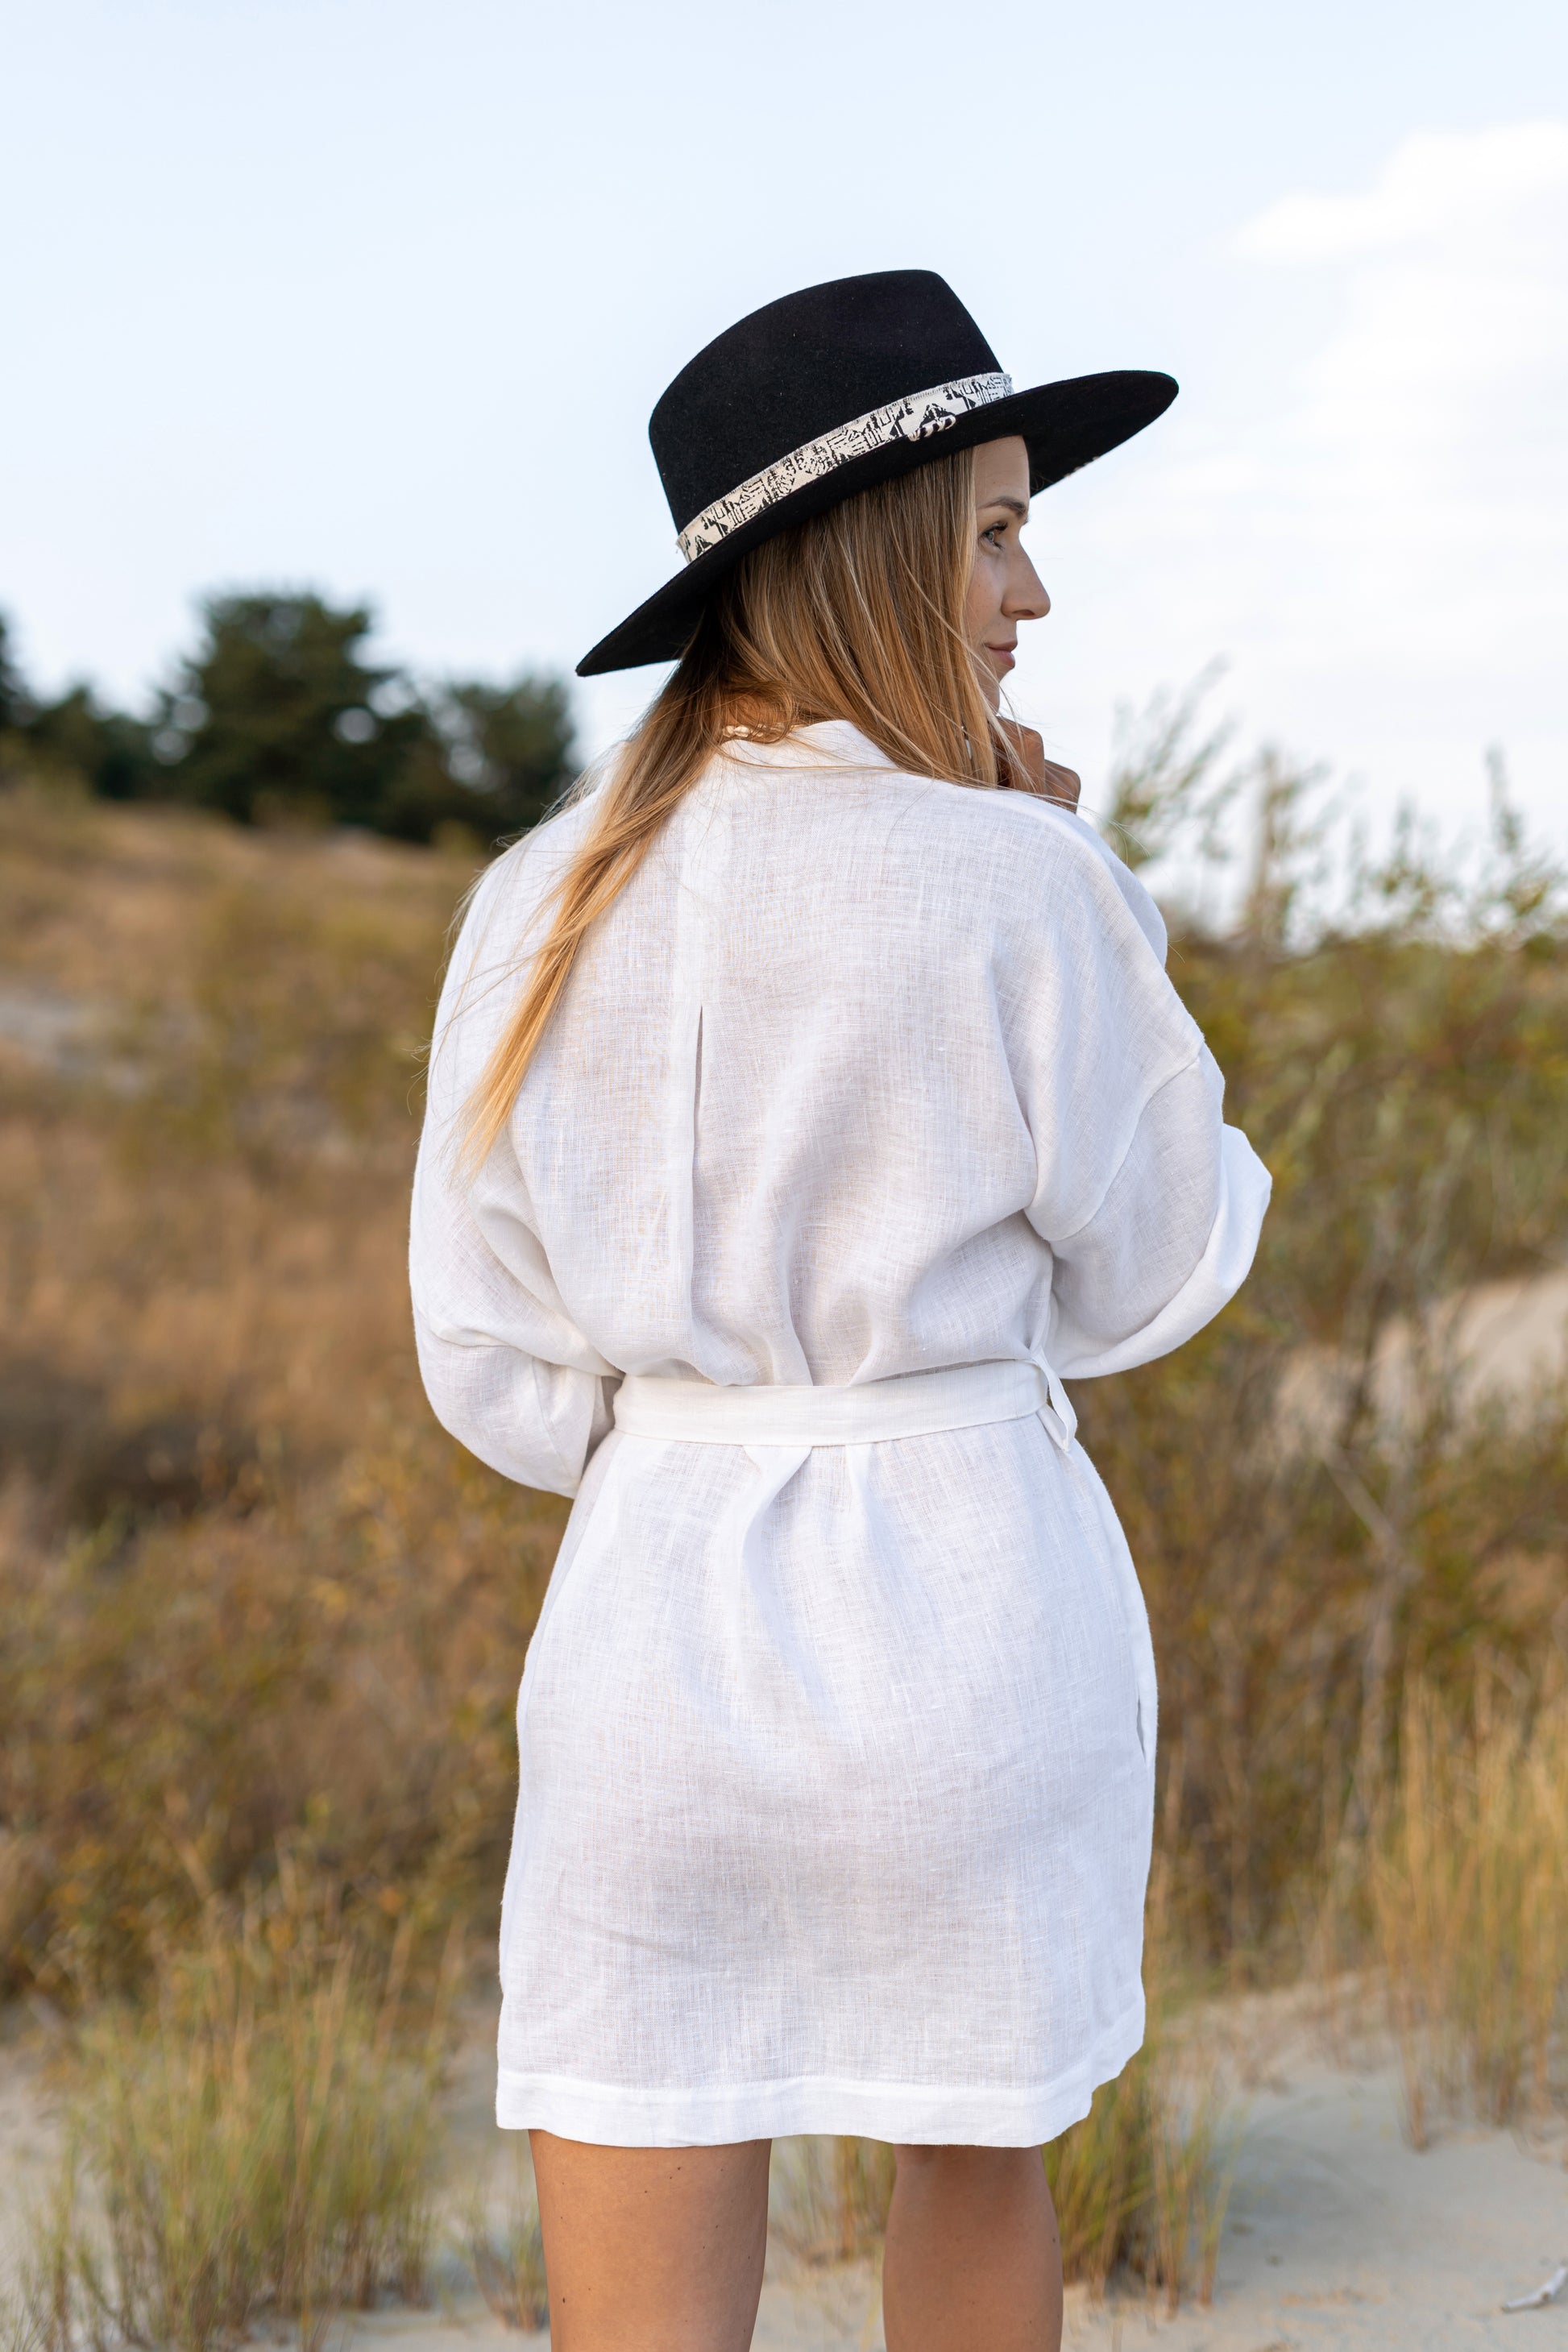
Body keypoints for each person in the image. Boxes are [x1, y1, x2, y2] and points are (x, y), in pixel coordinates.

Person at [409, 270, 1271, 2352]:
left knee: (640, 2117)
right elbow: (1158, 1262)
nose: (1032, 593)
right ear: (870, 549)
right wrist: (1076, 893)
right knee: (978, 2152)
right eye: (994, 532)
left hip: (651, 1633)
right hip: (969, 1615)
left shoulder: (540, 895)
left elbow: (494, 1356)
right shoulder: (1021, 878)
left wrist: (695, 1436)